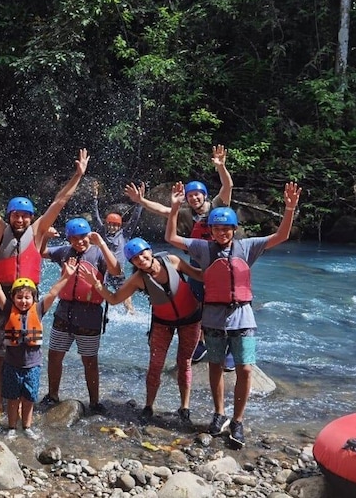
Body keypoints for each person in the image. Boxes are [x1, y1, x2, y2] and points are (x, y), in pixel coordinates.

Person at [165, 180, 302, 448]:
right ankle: (219, 414)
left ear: (234, 229)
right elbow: (171, 238)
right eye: (217, 228)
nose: (222, 232)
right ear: (211, 230)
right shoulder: (203, 248)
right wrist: (173, 208)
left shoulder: (248, 247)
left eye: (227, 228)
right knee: (215, 367)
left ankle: (237, 421)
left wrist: (289, 209)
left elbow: (281, 236)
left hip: (243, 317)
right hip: (214, 317)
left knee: (246, 370)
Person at [0, 143, 90, 421]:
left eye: (24, 215)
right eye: (15, 215)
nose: (20, 219)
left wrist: (77, 176)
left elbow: (59, 202)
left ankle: (26, 404)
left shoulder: (40, 230)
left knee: (28, 357)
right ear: (9, 217)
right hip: (2, 298)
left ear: (31, 217)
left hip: (29, 300)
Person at [125, 144, 234, 368]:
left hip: (220, 262)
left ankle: (230, 348)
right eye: (190, 195)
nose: (194, 198)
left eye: (197, 194)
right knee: (198, 304)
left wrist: (221, 167)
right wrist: (141, 201)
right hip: (197, 263)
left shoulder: (216, 206)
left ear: (204, 196)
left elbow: (227, 186)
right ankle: (201, 344)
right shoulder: (185, 213)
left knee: (226, 304)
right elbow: (163, 210)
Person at [87, 237, 203, 426]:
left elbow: (197, 275)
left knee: (185, 362)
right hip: (162, 323)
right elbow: (115, 299)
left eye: (142, 254)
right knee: (155, 365)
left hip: (191, 319)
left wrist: (217, 269)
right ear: (132, 263)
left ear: (150, 250)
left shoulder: (172, 261)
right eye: (135, 259)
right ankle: (149, 406)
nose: (141, 259)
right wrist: (97, 285)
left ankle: (185, 407)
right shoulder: (138, 279)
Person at [0, 253, 75, 440]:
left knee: (29, 399)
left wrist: (66, 276)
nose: (23, 301)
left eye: (27, 297)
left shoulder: (38, 309)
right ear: (13, 298)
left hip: (32, 366)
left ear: (34, 298)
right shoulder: (7, 309)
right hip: (12, 365)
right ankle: (12, 427)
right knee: (12, 399)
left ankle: (27, 426)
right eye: (19, 297)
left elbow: (53, 292)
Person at [41, 218, 120, 414]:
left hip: (90, 315)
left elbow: (116, 270)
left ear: (89, 236)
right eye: (74, 238)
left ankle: (94, 402)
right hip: (64, 311)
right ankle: (52, 395)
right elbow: (41, 252)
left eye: (83, 237)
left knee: (90, 360)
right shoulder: (64, 251)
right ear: (69, 239)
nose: (79, 242)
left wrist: (101, 243)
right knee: (54, 356)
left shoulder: (99, 253)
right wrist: (44, 236)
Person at [91, 181, 143, 314]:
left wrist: (140, 202)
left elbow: (135, 218)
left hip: (117, 271)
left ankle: (131, 312)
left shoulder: (124, 235)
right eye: (110, 224)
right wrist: (95, 199)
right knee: (98, 291)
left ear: (119, 226)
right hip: (102, 269)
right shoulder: (102, 231)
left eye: (115, 225)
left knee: (124, 293)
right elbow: (95, 215)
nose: (112, 227)